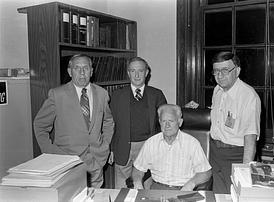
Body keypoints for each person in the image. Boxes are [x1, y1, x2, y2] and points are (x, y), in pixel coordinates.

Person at [34, 54, 114, 188]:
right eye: (77, 68)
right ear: (70, 71)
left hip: (96, 162)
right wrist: (52, 152)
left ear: (92, 71)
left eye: (86, 68)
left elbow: (108, 122)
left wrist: (105, 145)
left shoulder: (102, 94)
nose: (82, 72)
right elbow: (40, 126)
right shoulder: (57, 95)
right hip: (68, 164)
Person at [110, 57, 167, 189]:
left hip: (147, 147)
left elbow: (163, 123)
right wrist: (111, 148)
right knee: (122, 189)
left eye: (140, 71)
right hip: (123, 147)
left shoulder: (156, 94)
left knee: (145, 187)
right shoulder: (117, 95)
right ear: (128, 73)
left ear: (146, 73)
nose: (136, 75)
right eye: (133, 71)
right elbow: (110, 124)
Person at [209, 51, 261, 194]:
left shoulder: (249, 96)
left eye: (225, 70)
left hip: (236, 155)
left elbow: (250, 138)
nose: (219, 76)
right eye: (216, 71)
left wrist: (244, 172)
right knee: (218, 196)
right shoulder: (217, 90)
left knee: (236, 195)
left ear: (237, 71)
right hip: (215, 153)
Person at [132, 104, 212, 191]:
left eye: (171, 121)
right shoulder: (151, 143)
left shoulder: (192, 143)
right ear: (159, 122)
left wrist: (190, 184)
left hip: (183, 190)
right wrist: (137, 183)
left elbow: (206, 172)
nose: (167, 125)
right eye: (163, 121)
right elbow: (138, 169)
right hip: (157, 190)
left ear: (180, 122)